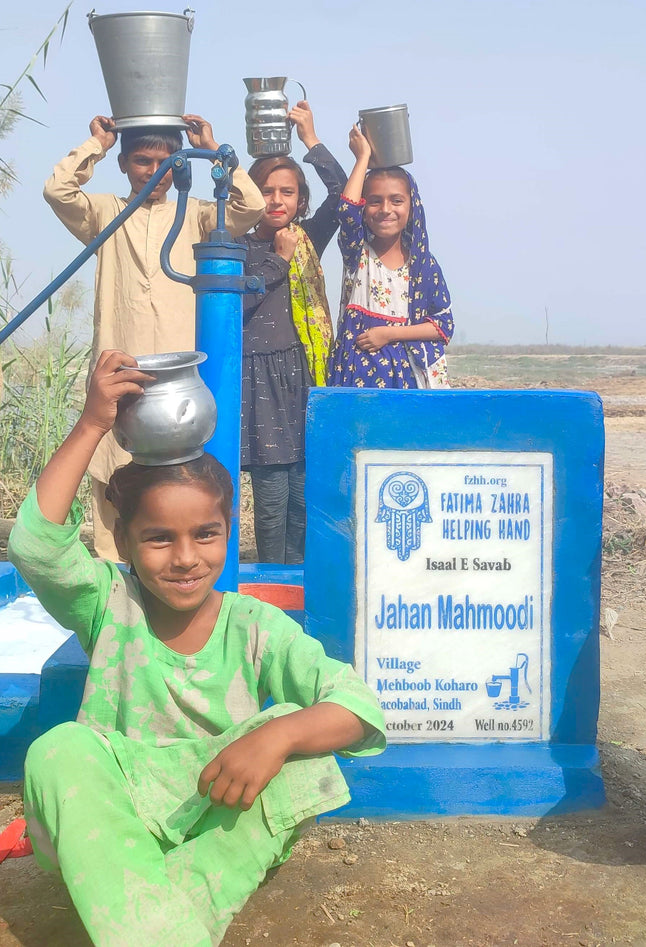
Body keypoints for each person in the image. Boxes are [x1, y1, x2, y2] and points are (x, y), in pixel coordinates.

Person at [8, 350, 385, 946]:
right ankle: (160, 920)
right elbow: (35, 545)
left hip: (217, 814)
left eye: (205, 534)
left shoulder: (255, 627)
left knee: (303, 738)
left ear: (227, 532)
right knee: (60, 748)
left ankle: (140, 914)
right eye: (158, 539)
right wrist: (91, 424)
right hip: (111, 823)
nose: (186, 558)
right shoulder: (110, 605)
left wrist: (275, 737)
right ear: (124, 543)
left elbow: (358, 705)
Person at [43, 114, 266, 562]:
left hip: (178, 384)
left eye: (167, 163)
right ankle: (114, 600)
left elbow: (250, 207)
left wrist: (211, 145)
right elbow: (58, 191)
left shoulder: (197, 214)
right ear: (124, 164)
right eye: (143, 161)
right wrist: (97, 144)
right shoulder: (107, 212)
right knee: (111, 482)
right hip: (120, 375)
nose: (155, 171)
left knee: (179, 482)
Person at [241, 100, 345, 564]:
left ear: (299, 200)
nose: (277, 200)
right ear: (249, 195)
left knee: (303, 491)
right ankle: (270, 584)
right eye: (267, 190)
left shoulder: (307, 238)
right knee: (270, 496)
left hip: (303, 373)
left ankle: (299, 583)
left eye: (287, 192)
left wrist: (310, 139)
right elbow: (238, 302)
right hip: (259, 378)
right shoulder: (236, 244)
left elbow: (343, 194)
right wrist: (277, 260)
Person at [327, 124, 453, 389]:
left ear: (412, 205)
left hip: (407, 379)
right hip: (356, 374)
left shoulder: (424, 265)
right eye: (375, 201)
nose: (386, 209)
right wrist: (362, 158)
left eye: (396, 201)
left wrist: (389, 334)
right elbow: (347, 212)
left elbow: (442, 325)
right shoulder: (358, 253)